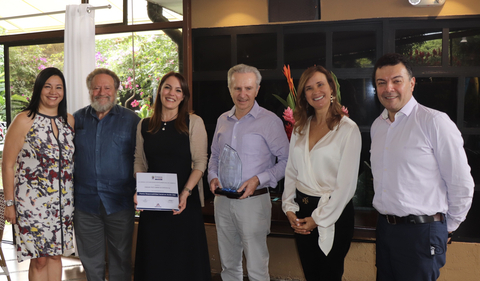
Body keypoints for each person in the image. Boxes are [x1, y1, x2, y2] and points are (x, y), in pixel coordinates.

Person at [370, 53, 474, 281]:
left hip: (422, 232)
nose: (389, 88)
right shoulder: (378, 126)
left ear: (412, 83)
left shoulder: (434, 122)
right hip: (386, 229)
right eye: (381, 82)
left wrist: (448, 226)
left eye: (396, 80)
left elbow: (461, 182)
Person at [208, 64, 290, 281]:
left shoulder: (270, 121)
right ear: (229, 89)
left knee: (256, 268)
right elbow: (214, 156)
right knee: (228, 265)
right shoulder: (222, 120)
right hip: (223, 201)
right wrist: (212, 176)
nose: (242, 94)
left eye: (248, 88)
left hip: (254, 202)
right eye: (237, 88)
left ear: (257, 89)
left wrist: (258, 179)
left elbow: (287, 161)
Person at [282, 65, 361, 281]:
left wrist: (318, 219)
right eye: (308, 88)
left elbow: (346, 186)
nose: (315, 91)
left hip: (333, 212)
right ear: (303, 96)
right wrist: (289, 207)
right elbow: (291, 171)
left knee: (329, 275)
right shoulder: (300, 127)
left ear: (331, 88)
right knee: (311, 274)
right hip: (301, 210)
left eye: (320, 84)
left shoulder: (348, 129)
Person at [133, 72, 211, 280]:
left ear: (184, 96)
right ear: (160, 90)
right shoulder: (144, 125)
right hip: (153, 206)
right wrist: (140, 190)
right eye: (167, 87)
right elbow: (139, 161)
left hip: (184, 205)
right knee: (154, 261)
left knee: (183, 263)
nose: (172, 94)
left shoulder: (193, 122)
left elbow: (200, 162)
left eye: (178, 90)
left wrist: (185, 193)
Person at [2, 67, 75, 281]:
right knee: (40, 258)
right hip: (31, 203)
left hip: (63, 203)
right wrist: (9, 204)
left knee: (55, 256)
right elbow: (7, 165)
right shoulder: (24, 120)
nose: (53, 92)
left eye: (58, 87)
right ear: (38, 89)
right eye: (48, 86)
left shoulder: (68, 121)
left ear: (63, 91)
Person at [73, 68, 140, 281]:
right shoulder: (76, 120)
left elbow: (142, 160)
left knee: (121, 259)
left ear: (116, 90)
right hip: (85, 203)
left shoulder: (132, 121)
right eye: (96, 87)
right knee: (90, 260)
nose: (102, 92)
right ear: (90, 91)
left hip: (120, 202)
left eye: (107, 87)